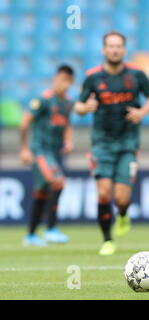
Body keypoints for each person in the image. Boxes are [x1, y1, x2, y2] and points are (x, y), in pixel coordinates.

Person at [75, 31, 149, 255]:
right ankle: (107, 240)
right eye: (110, 46)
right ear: (104, 50)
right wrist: (86, 108)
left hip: (128, 143)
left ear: (124, 50)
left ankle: (122, 214)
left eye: (118, 46)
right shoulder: (93, 77)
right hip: (102, 143)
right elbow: (78, 106)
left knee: (122, 198)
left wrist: (142, 112)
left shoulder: (136, 74)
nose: (114, 50)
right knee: (103, 193)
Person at [20, 65, 75, 246]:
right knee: (58, 181)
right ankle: (51, 228)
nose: (63, 84)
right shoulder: (43, 100)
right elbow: (25, 122)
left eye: (67, 80)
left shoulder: (67, 102)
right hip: (40, 151)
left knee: (41, 192)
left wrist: (68, 141)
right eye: (61, 79)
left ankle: (31, 235)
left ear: (71, 82)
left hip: (54, 152)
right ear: (55, 78)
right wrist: (24, 149)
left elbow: (67, 124)